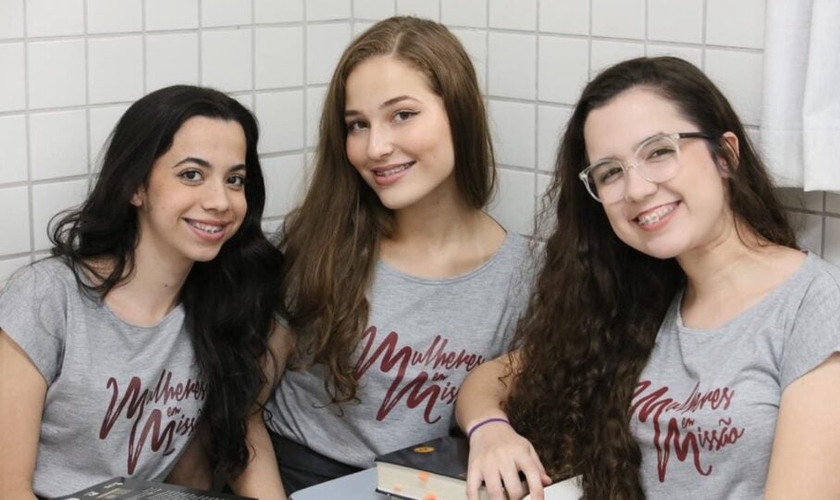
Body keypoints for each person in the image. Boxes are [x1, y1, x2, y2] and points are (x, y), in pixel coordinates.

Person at [456, 56, 840, 500]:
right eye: (611, 172)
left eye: (658, 152)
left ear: (726, 155)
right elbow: (488, 380)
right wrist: (490, 431)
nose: (636, 190)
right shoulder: (640, 298)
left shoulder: (814, 305)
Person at [263, 16, 534, 494]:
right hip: (294, 480)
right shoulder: (314, 240)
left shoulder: (524, 272)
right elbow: (239, 411)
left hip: (427, 485)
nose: (376, 147)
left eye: (402, 115)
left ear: (459, 112)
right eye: (357, 125)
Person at [0, 85, 286, 499]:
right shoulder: (47, 297)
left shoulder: (221, 305)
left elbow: (203, 468)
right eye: (192, 174)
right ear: (135, 187)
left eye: (235, 179)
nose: (221, 201)